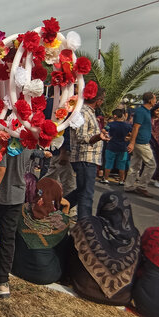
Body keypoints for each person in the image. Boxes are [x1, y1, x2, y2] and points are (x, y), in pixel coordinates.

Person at [0, 144, 49, 303]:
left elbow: (0, 169)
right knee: (8, 239)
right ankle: (2, 281)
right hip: (17, 197)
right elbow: (34, 153)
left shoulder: (2, 139)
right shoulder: (26, 139)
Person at [69, 191, 140, 305]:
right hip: (121, 298)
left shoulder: (87, 224)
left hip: (85, 289)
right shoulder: (134, 235)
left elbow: (69, 253)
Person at [11, 178, 72, 285]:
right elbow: (62, 249)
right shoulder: (60, 221)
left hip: (16, 268)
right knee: (65, 243)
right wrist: (66, 208)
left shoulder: (22, 209)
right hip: (45, 276)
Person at [66, 87, 109, 219]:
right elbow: (81, 136)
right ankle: (85, 223)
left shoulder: (88, 112)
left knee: (82, 191)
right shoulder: (84, 112)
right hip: (85, 158)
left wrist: (98, 135)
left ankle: (59, 205)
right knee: (86, 193)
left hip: (88, 158)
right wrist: (97, 137)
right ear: (99, 101)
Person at [125, 92, 157, 198]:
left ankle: (129, 185)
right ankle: (142, 186)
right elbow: (136, 127)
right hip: (141, 142)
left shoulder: (146, 111)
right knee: (151, 164)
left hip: (141, 141)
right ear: (150, 100)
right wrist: (132, 142)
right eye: (154, 99)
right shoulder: (142, 112)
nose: (155, 101)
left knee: (135, 165)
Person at [100, 109, 131, 186]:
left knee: (109, 163)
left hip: (111, 146)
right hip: (123, 147)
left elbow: (104, 130)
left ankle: (106, 179)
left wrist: (107, 135)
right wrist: (127, 138)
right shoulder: (127, 125)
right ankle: (121, 180)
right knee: (122, 164)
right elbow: (131, 133)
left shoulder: (111, 124)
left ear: (115, 116)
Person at [43, 127, 76, 195]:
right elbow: (64, 131)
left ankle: (37, 196)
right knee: (68, 185)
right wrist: (64, 151)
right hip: (61, 151)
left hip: (57, 150)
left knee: (50, 179)